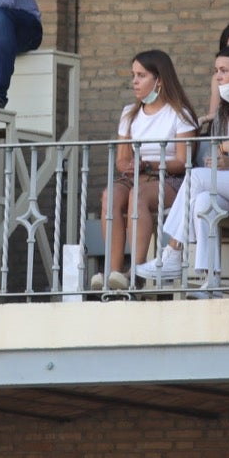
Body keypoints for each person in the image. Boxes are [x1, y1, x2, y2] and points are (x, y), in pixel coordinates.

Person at [134, 45, 229, 296]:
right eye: (216, 71)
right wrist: (223, 153)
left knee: (195, 177)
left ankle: (173, 251)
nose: (218, 77)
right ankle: (211, 280)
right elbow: (215, 158)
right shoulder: (224, 112)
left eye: (224, 70)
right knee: (203, 202)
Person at [90, 50, 199, 292]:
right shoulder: (130, 113)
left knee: (136, 197)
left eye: (141, 76)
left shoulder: (180, 113)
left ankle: (135, 273)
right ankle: (113, 273)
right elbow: (121, 159)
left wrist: (149, 164)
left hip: (169, 178)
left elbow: (183, 161)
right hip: (135, 177)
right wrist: (130, 166)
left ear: (159, 79)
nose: (134, 82)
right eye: (133, 76)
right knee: (110, 196)